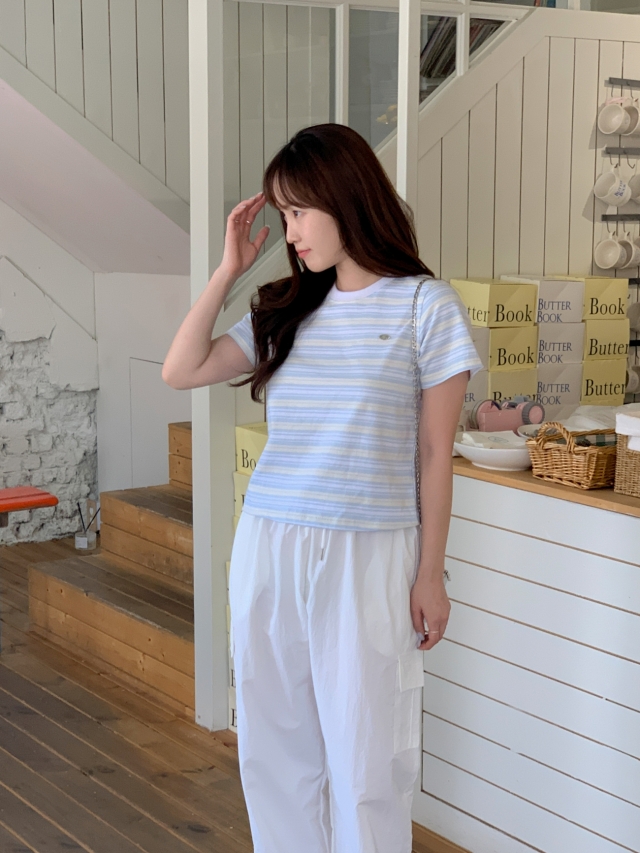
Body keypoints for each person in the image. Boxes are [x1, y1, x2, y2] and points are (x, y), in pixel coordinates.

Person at [162, 123, 482, 853]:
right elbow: (181, 370)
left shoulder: (425, 307)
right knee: (273, 748)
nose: (290, 232)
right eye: (283, 214)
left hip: (370, 551)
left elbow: (436, 453)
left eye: (300, 211)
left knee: (368, 759)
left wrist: (430, 572)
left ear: (347, 198)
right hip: (270, 541)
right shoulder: (284, 309)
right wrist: (227, 270)